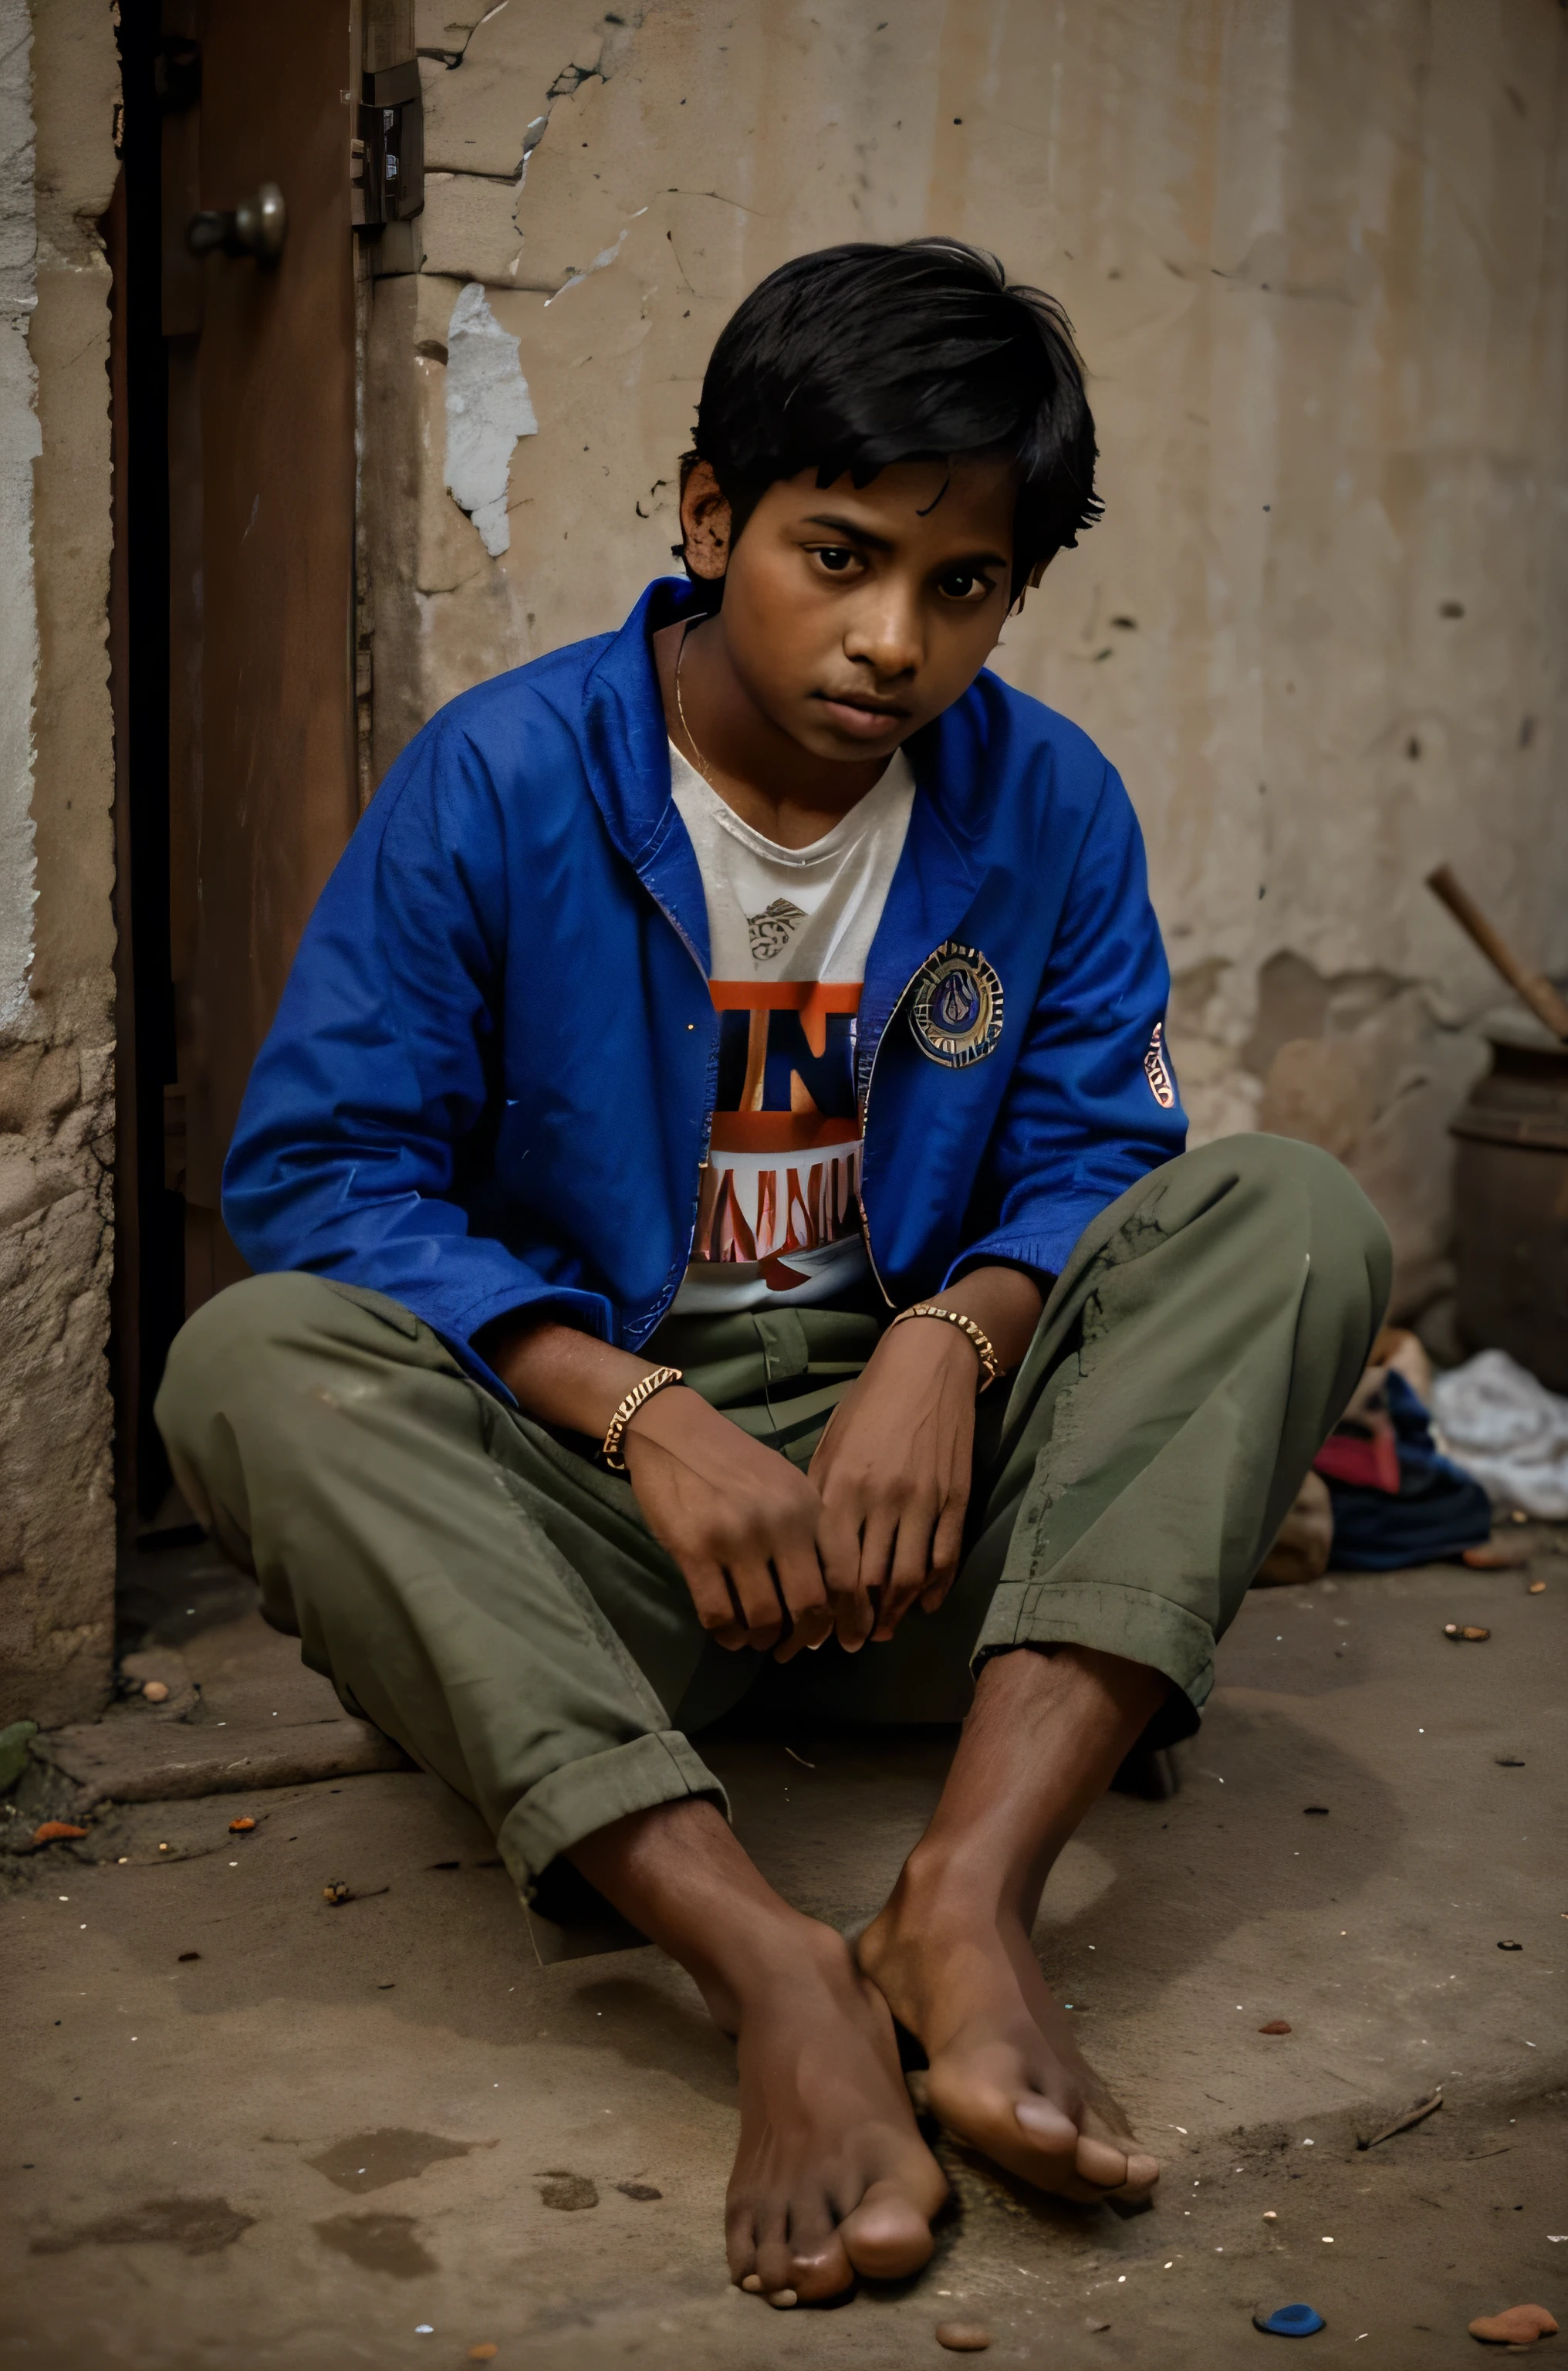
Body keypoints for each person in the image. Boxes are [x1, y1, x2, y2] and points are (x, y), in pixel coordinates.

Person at [157, 238, 1390, 2308]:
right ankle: (767, 1969)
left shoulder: (1049, 805)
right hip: (621, 1556)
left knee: (1293, 1216)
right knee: (253, 1364)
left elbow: (1099, 1147)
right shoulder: (506, 782)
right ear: (709, 516)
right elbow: (321, 1174)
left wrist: (948, 1337)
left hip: (931, 1558)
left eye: (964, 586)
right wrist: (635, 1410)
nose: (893, 640)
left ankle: (966, 1903)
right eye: (838, 556)